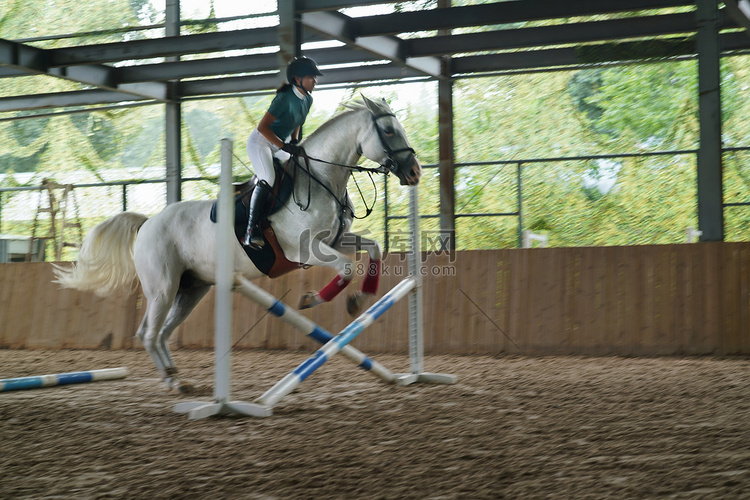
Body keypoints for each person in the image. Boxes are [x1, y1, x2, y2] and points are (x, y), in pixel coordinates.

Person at [243, 56, 323, 249]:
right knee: (268, 178)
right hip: (260, 142)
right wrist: (283, 145)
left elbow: (298, 122)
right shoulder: (284, 98)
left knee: (298, 169)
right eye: (311, 77)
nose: (315, 81)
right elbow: (262, 128)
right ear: (298, 79)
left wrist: (294, 141)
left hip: (280, 144)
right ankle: (251, 230)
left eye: (315, 77)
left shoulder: (308, 100)